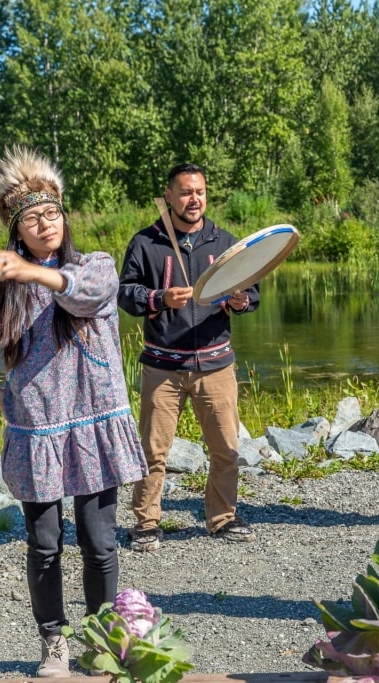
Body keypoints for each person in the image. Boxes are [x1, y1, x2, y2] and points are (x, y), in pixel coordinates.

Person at [0, 146, 146, 677]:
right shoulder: (1, 296)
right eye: (33, 218)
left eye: (53, 213)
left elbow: (84, 295)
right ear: (17, 232)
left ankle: (104, 639)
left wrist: (33, 274)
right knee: (44, 545)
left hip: (95, 426)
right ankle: (53, 643)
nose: (46, 224)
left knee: (99, 540)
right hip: (36, 432)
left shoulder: (94, 267)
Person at [118, 163, 259, 551]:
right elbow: (125, 293)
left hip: (216, 363)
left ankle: (222, 517)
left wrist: (242, 300)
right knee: (152, 450)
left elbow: (253, 291)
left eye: (199, 191)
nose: (193, 199)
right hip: (162, 366)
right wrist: (157, 298)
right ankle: (146, 523)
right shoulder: (146, 243)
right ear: (168, 196)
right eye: (185, 192)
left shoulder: (226, 243)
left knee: (226, 448)